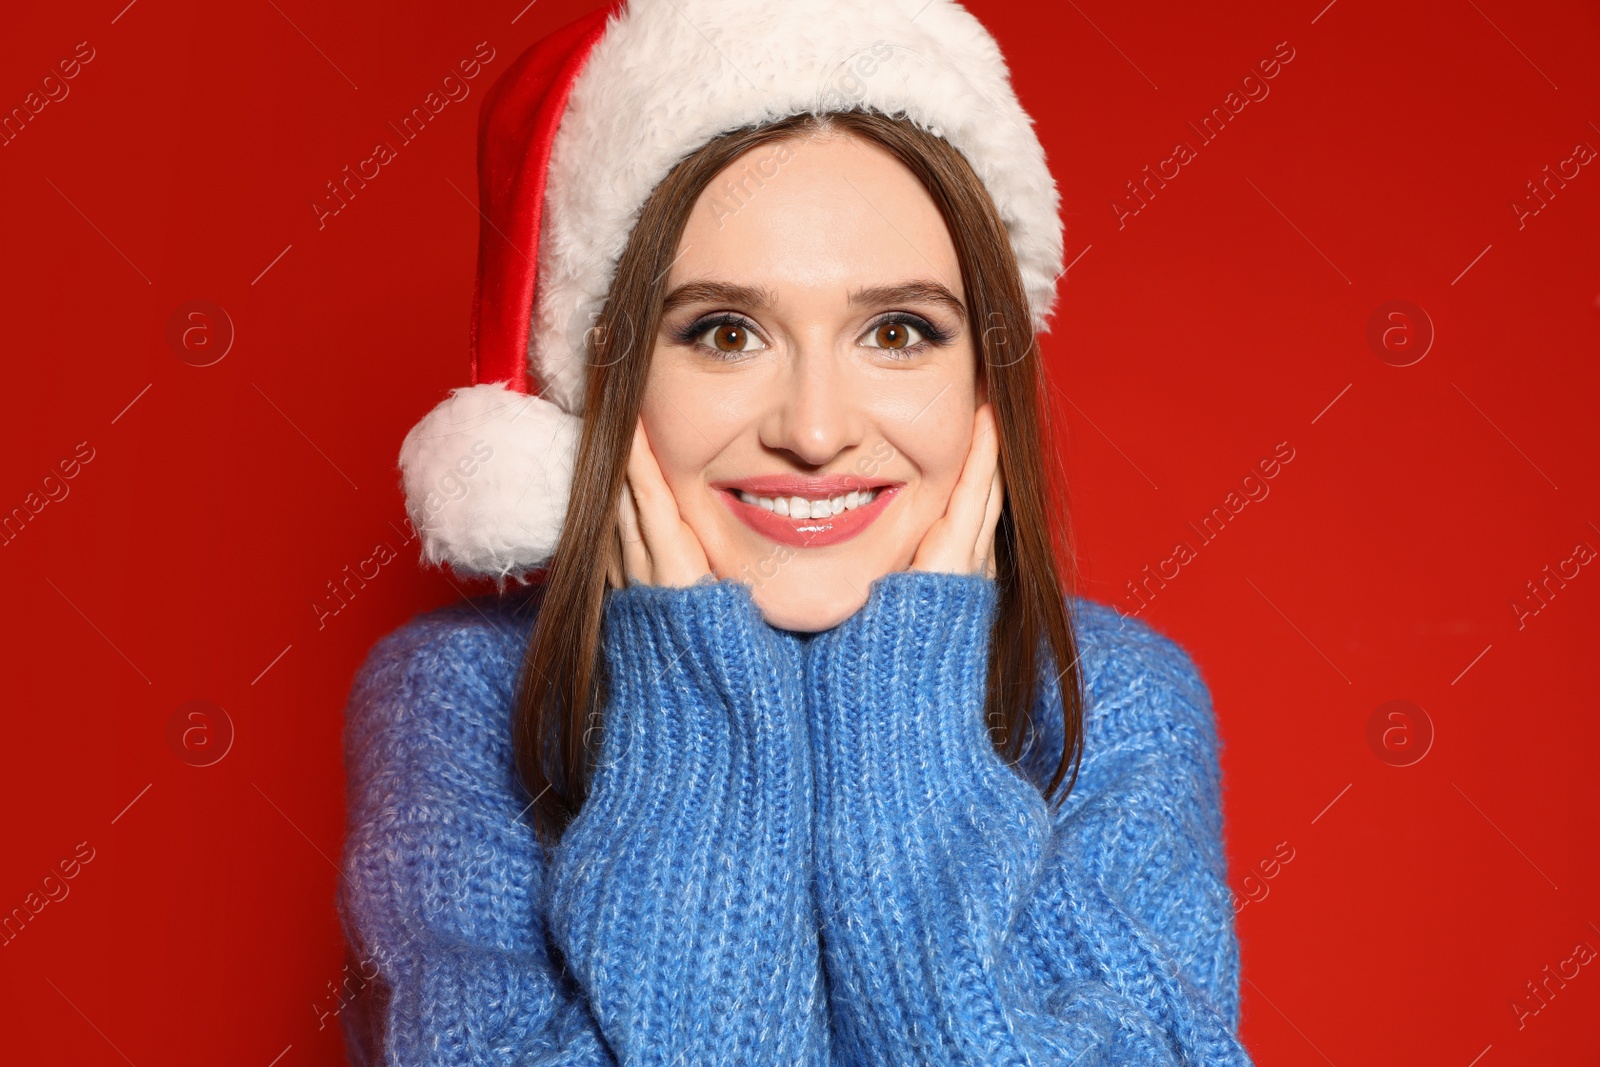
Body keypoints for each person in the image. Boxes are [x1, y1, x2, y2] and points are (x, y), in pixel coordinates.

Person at [337, 0, 1255, 1064]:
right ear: (608, 372)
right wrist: (694, 703)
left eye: (898, 330)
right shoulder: (455, 700)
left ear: (982, 375)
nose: (814, 430)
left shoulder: (1116, 697)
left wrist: (905, 720)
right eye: (725, 333)